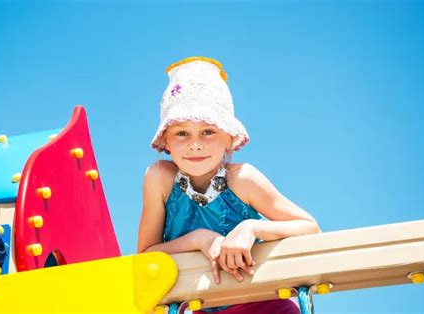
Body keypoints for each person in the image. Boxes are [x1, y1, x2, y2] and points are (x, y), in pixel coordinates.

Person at [137, 56, 321, 313]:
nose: (195, 143)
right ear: (165, 141)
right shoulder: (160, 179)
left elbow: (310, 228)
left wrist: (252, 227)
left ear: (230, 138)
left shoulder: (242, 179)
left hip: (264, 301)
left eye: (208, 131)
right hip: (202, 303)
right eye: (181, 133)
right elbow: (146, 256)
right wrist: (199, 239)